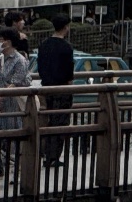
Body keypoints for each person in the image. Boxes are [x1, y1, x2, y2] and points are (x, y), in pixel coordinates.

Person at [0, 27, 31, 178]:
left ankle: (17, 174)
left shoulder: (20, 61)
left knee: (13, 141)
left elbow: (14, 85)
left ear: (8, 42)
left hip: (12, 106)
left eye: (0, 40)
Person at [36, 15, 76, 167]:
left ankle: (45, 153)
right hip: (62, 88)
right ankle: (53, 156)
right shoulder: (66, 47)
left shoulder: (44, 45)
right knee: (61, 122)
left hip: (46, 88)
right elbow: (68, 72)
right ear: (66, 27)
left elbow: (40, 67)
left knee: (47, 120)